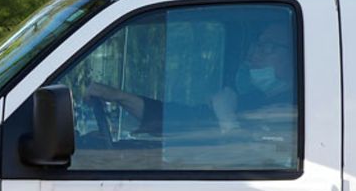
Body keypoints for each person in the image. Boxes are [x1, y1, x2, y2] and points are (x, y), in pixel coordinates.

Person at [88, 22, 296, 137]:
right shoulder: (251, 100)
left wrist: (226, 117)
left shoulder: (295, 111)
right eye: (255, 46)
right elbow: (182, 120)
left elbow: (250, 160)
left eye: (268, 48)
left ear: (296, 55)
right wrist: (118, 96)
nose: (252, 56)